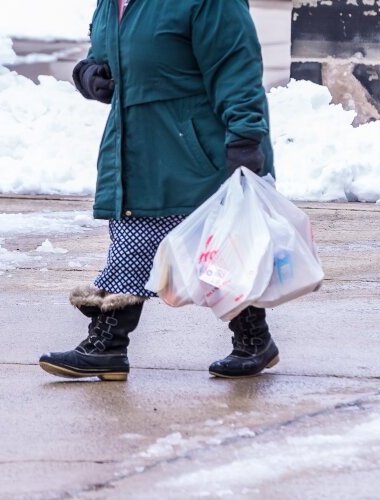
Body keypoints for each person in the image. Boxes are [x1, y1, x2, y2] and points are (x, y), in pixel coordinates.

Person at [39, 0, 278, 381]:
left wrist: (246, 137)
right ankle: (250, 338)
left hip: (200, 147)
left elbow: (237, 66)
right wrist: (89, 73)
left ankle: (112, 343)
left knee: (219, 249)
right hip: (137, 147)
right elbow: (109, 53)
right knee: (140, 240)